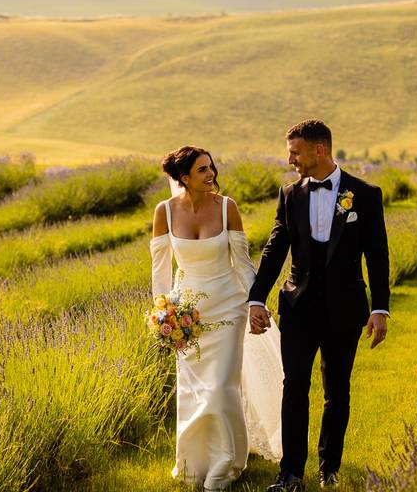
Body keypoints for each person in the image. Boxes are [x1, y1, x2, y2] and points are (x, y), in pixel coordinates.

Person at [248, 120, 390, 491]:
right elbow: (275, 247)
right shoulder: (289, 194)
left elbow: (377, 255)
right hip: (298, 307)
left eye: (295, 151)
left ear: (319, 150)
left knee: (337, 390)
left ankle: (329, 469)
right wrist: (256, 298)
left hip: (345, 309)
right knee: (293, 385)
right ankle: (290, 473)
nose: (290, 159)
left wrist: (380, 308)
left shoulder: (365, 194)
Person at [151, 146, 283, 491]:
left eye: (211, 167)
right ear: (183, 178)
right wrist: (163, 311)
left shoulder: (227, 209)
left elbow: (242, 263)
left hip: (228, 308)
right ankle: (194, 464)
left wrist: (256, 303)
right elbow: (160, 270)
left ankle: (226, 465)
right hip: (186, 316)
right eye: (201, 170)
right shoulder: (164, 211)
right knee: (194, 389)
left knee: (223, 387)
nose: (211, 174)